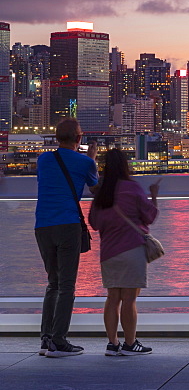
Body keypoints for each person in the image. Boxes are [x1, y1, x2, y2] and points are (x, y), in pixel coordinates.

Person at [34, 118, 98, 357]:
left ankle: (46, 338)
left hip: (42, 225)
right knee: (67, 285)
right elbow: (95, 188)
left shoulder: (43, 159)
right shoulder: (85, 162)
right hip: (68, 224)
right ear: (79, 139)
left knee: (53, 283)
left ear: (56, 138)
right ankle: (59, 341)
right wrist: (91, 158)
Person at [88, 148, 160, 355]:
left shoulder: (101, 192)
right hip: (132, 249)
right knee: (129, 299)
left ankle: (112, 343)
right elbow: (150, 217)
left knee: (112, 298)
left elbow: (94, 223)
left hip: (108, 252)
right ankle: (130, 344)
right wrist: (153, 197)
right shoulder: (133, 188)